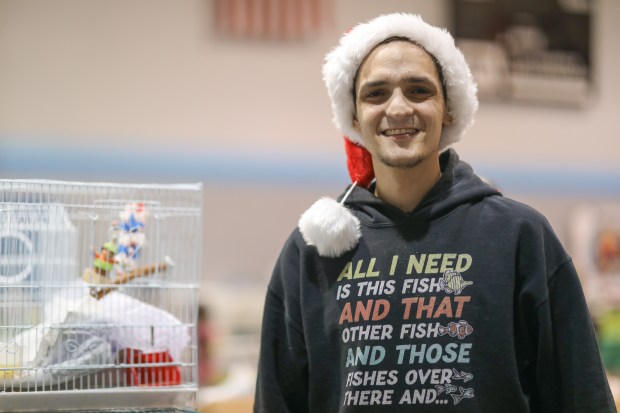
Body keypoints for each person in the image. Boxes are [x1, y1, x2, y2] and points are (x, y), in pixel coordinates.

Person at [254, 13, 616, 412]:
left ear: (448, 108)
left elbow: (583, 398)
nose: (397, 108)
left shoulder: (520, 236)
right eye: (376, 93)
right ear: (354, 116)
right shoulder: (311, 252)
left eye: (418, 90)